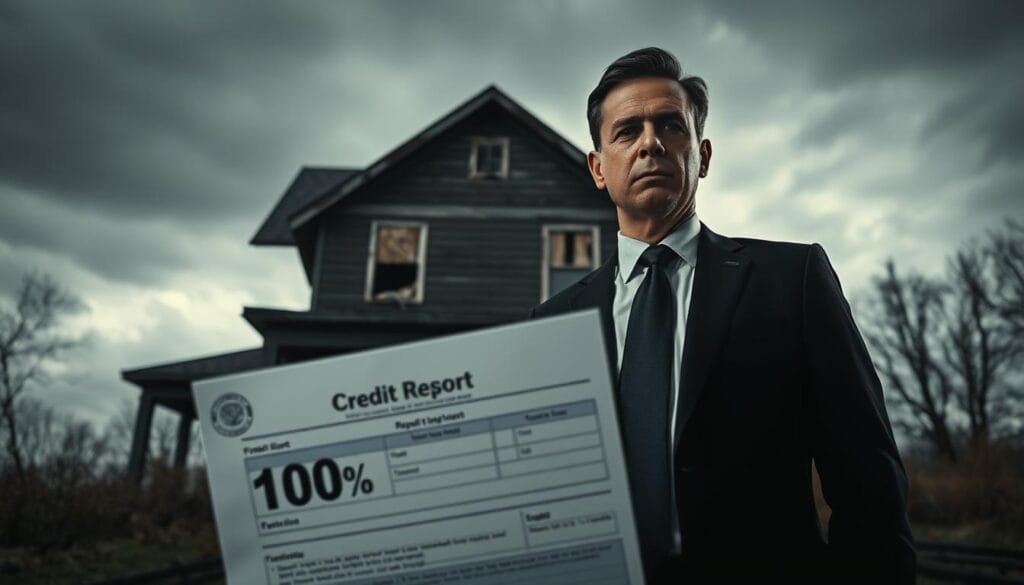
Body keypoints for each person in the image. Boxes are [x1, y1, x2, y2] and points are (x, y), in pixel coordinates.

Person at [530, 47, 915, 583]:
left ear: (703, 155)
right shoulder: (550, 323)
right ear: (598, 167)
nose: (651, 143)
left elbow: (869, 484)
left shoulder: (792, 279)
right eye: (627, 131)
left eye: (670, 125)